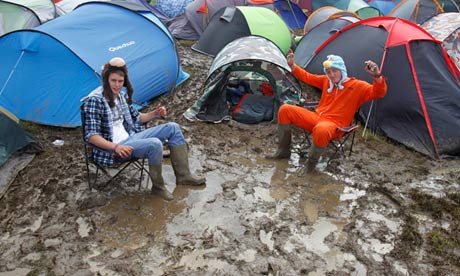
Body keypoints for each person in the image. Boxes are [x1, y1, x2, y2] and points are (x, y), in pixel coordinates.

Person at [81, 57, 205, 200]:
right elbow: (91, 136)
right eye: (113, 81)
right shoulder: (94, 101)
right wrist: (116, 147)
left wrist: (155, 114)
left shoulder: (120, 96)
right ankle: (158, 188)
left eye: (120, 81)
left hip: (131, 138)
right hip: (113, 149)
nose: (116, 85)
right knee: (154, 144)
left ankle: (184, 176)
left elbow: (137, 118)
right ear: (106, 80)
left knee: (173, 127)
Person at [266, 50, 387, 175]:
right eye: (329, 72)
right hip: (317, 118)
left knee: (321, 129)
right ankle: (283, 152)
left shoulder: (357, 86)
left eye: (335, 71)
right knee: (285, 109)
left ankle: (309, 167)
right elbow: (308, 77)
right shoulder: (326, 81)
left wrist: (376, 76)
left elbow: (379, 93)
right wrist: (292, 66)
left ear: (342, 71)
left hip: (336, 127)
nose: (332, 75)